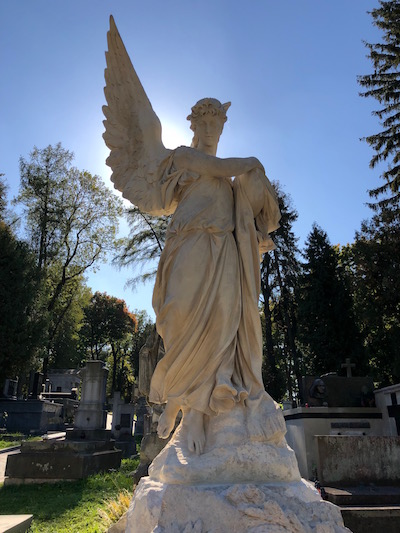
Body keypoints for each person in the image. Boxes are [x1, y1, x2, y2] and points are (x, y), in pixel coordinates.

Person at [147, 98, 281, 454]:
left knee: (223, 322)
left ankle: (194, 412)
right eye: (204, 123)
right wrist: (253, 162)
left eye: (216, 124)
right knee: (178, 315)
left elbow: (245, 214)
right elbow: (218, 167)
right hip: (189, 246)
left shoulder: (230, 183)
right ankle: (176, 396)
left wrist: (254, 232)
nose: (210, 130)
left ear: (222, 128)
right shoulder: (185, 158)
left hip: (223, 252)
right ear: (193, 125)